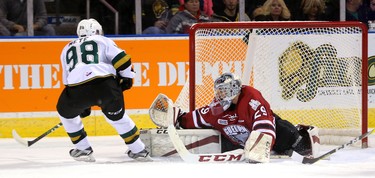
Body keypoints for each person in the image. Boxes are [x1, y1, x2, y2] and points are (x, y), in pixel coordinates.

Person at [56, 18, 151, 162]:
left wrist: (80, 104)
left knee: (66, 113)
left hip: (77, 90)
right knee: (118, 118)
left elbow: (67, 80)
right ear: (97, 30)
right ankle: (139, 150)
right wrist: (127, 77)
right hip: (105, 85)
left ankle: (82, 149)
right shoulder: (102, 40)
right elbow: (122, 59)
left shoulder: (67, 47)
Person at [172, 72, 319, 162]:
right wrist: (178, 119)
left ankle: (301, 140)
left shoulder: (251, 98)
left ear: (233, 89)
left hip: (273, 137)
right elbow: (198, 118)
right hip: (243, 144)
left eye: (223, 91)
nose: (219, 95)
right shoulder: (217, 107)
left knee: (284, 131)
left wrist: (261, 147)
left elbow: (265, 122)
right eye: (218, 91)